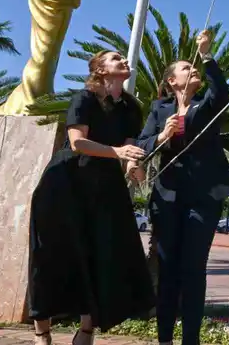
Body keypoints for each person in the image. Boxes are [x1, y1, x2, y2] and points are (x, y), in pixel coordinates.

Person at [28, 51, 155, 345]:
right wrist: (118, 153)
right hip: (64, 184)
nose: (123, 60)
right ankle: (41, 331)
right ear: (100, 69)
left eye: (124, 57)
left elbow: (129, 150)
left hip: (104, 187)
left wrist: (134, 167)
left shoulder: (130, 108)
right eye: (115, 58)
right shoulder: (83, 99)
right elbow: (78, 143)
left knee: (99, 255)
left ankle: (87, 330)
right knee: (51, 256)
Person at [137, 31, 229, 345]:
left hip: (203, 199)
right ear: (171, 82)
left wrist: (207, 56)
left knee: (193, 270)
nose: (192, 69)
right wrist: (160, 138)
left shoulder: (204, 107)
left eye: (194, 67)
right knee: (168, 270)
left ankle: (190, 340)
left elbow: (221, 94)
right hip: (167, 199)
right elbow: (142, 145)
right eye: (185, 68)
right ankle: (164, 339)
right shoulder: (159, 111)